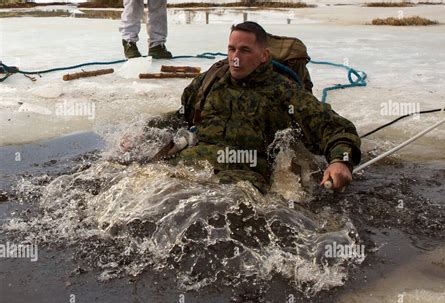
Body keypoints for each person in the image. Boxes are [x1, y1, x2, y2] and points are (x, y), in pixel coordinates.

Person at [128, 22, 361, 192]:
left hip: (240, 181)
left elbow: (334, 127)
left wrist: (340, 160)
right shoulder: (210, 81)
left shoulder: (283, 92)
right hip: (187, 169)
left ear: (264, 55)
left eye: (245, 50)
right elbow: (182, 116)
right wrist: (145, 131)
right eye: (232, 49)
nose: (235, 58)